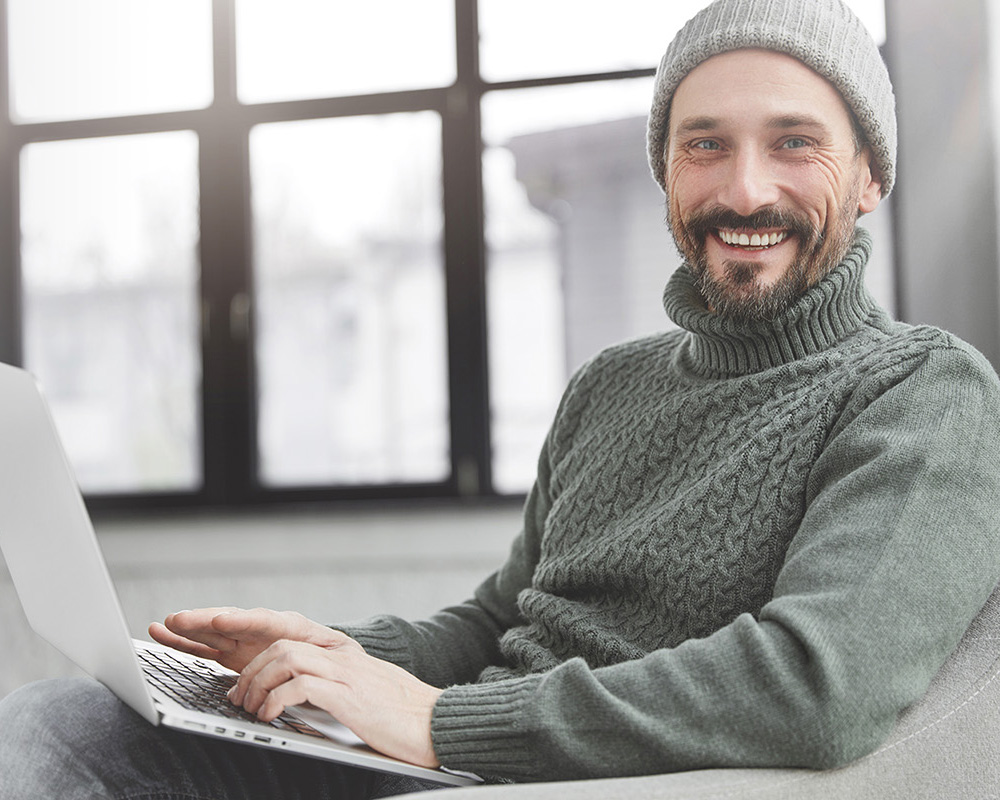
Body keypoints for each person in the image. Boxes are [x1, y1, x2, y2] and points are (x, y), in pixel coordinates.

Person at [2, 0, 999, 796]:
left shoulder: (919, 387)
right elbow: (498, 620)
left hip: (529, 766)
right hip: (457, 743)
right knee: (60, 721)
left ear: (867, 175)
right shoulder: (611, 385)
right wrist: (324, 655)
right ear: (664, 170)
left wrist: (437, 723)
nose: (743, 189)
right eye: (704, 145)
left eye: (793, 143)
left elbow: (815, 683)